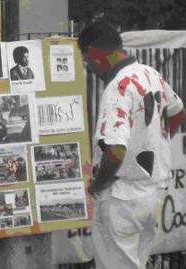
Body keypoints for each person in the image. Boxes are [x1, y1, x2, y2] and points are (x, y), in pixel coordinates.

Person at [78, 21, 185, 269]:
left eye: (87, 60)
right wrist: (154, 141)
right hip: (153, 191)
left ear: (95, 54)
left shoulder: (117, 88)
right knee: (137, 261)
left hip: (122, 197)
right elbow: (178, 111)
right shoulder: (150, 73)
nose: (90, 68)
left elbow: (115, 150)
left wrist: (98, 184)